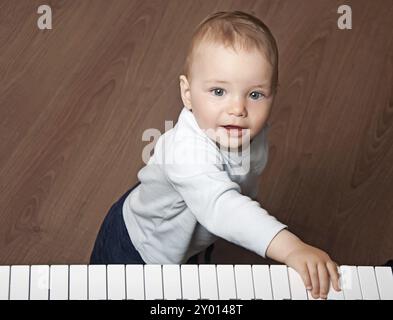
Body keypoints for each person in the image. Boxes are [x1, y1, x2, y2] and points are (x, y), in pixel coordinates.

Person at [90, 10, 341, 299]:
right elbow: (221, 206)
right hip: (140, 246)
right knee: (110, 292)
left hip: (195, 229)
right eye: (218, 91)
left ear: (273, 94)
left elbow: (238, 186)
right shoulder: (184, 151)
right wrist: (291, 247)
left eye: (255, 94)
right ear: (187, 93)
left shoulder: (246, 129)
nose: (238, 108)